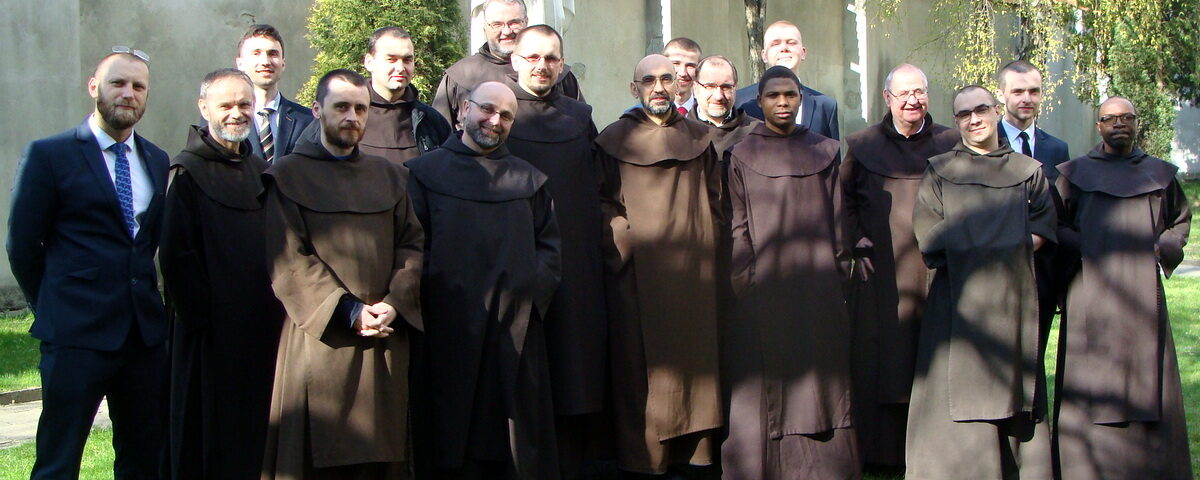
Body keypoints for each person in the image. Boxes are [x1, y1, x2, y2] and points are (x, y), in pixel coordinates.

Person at [8, 48, 170, 479]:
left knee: (144, 459)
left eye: (138, 86)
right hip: (75, 335)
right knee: (58, 461)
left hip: (142, 338)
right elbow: (23, 245)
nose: (128, 93)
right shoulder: (49, 154)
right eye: (118, 83)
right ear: (94, 87)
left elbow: (146, 243)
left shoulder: (156, 159)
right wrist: (53, 303)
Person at [260, 69, 424, 479]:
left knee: (382, 452)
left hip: (383, 335)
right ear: (317, 110)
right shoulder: (287, 175)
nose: (352, 117)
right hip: (319, 333)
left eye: (360, 109)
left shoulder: (391, 176)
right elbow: (289, 259)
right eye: (342, 107)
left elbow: (412, 245)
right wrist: (349, 311)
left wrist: (394, 303)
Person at [408, 81, 561, 479]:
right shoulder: (423, 174)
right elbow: (412, 245)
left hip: (514, 329)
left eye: (506, 116)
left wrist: (526, 299)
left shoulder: (529, 180)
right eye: (487, 109)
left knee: (513, 441)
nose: (495, 121)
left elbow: (549, 249)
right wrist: (439, 294)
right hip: (446, 326)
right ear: (463, 109)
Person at [906, 85, 1056, 480]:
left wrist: (982, 240)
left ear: (996, 110)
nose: (974, 119)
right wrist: (1002, 237)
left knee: (1011, 380)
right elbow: (929, 234)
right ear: (956, 121)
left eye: (981, 110)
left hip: (1012, 294)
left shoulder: (1028, 171)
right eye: (964, 114)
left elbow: (1043, 228)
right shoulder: (939, 171)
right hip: (956, 296)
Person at [722, 65, 860, 479]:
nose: (782, 103)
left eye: (790, 95)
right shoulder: (741, 154)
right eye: (773, 96)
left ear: (801, 99)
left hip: (819, 283)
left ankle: (826, 464)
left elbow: (838, 220)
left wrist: (837, 275)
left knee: (821, 376)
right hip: (763, 286)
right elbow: (738, 225)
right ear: (759, 102)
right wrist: (745, 282)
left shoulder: (826, 150)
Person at [595, 54, 724, 478]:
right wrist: (627, 239)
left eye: (667, 79)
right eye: (648, 80)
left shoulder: (700, 139)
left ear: (679, 84)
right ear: (634, 89)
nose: (659, 87)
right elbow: (601, 203)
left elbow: (717, 201)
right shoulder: (613, 140)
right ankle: (644, 460)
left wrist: (706, 243)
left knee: (695, 364)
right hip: (636, 274)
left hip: (693, 274)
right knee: (640, 369)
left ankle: (696, 456)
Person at [1052, 96, 1193, 480]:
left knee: (1150, 372)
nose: (1119, 124)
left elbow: (1180, 221)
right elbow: (1057, 224)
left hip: (1143, 290)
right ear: (1098, 125)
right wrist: (1089, 247)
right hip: (1089, 288)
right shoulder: (1074, 173)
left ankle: (1149, 464)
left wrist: (1163, 247)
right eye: (1110, 118)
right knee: (1088, 373)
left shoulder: (1160, 174)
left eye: (1126, 117)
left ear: (1136, 123)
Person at [160, 68, 285, 480]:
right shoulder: (186, 172)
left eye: (244, 104)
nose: (236, 113)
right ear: (204, 108)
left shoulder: (258, 167)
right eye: (226, 105)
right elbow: (176, 259)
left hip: (259, 330)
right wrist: (210, 319)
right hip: (209, 336)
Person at [503, 25, 609, 478]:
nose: (541, 66)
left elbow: (599, 182)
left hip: (577, 256)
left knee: (574, 362)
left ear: (562, 65)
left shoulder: (579, 117)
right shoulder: (499, 114)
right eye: (532, 57)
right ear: (515, 61)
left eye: (550, 58)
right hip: (517, 255)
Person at [841, 64, 958, 470]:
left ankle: (933, 449)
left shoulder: (951, 143)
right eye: (904, 93)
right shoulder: (863, 146)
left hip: (936, 271)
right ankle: (882, 453)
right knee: (880, 359)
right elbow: (844, 201)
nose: (912, 100)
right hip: (881, 273)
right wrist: (858, 243)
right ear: (887, 99)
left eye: (919, 92)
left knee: (933, 357)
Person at [994, 61, 1071, 413]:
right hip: (995, 266)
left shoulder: (1057, 149)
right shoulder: (984, 140)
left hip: (1041, 271)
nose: (1026, 98)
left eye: (1034, 91)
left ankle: (1031, 425)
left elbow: (1061, 211)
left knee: (1034, 354)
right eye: (1018, 91)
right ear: (1002, 95)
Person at [433, 0, 584, 130]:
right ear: (485, 26)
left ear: (526, 22)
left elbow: (582, 129)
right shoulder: (460, 76)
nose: (506, 31)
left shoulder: (556, 73)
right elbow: (437, 135)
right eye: (497, 24)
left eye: (514, 23)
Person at [360, 26, 451, 166]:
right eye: (391, 59)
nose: (400, 68)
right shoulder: (350, 116)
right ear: (369, 62)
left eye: (407, 60)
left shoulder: (430, 121)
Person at [735, 21, 839, 139]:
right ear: (764, 55)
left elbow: (832, 150)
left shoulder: (826, 106)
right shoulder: (740, 101)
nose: (784, 48)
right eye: (775, 44)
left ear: (803, 52)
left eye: (791, 43)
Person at [234, 24, 313, 162]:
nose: (265, 61)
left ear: (283, 64)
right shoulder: (225, 119)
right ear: (240, 64)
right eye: (256, 53)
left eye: (272, 54)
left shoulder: (307, 120)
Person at [687, 55, 759, 155]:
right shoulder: (679, 133)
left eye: (726, 87)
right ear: (695, 88)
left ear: (735, 88)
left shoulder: (758, 132)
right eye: (710, 86)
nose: (718, 96)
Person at [663, 37, 702, 114]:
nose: (683, 73)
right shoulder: (644, 116)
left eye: (690, 66)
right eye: (676, 64)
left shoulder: (706, 115)